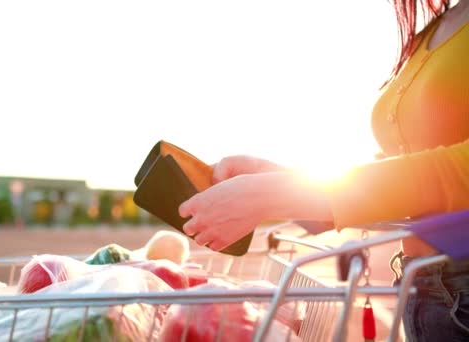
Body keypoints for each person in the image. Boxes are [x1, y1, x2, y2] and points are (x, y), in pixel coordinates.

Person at [178, 0, 469, 341]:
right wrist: (288, 180)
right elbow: (408, 168)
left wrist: (277, 194)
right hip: (425, 288)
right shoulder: (439, 27)